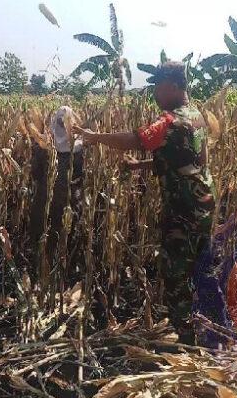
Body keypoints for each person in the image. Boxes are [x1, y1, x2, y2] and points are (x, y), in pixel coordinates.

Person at [73, 61, 227, 343]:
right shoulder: (196, 117)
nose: (155, 92)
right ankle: (220, 324)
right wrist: (139, 167)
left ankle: (188, 340)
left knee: (175, 274)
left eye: (158, 85)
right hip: (204, 202)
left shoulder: (169, 121)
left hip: (183, 209)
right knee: (203, 264)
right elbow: (189, 161)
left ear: (171, 85)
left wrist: (94, 136)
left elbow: (135, 139)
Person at [47, 106, 84, 259]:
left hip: (58, 195)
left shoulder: (51, 146)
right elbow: (81, 175)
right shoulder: (78, 146)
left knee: (57, 219)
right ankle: (69, 253)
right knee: (71, 220)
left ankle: (57, 252)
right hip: (73, 196)